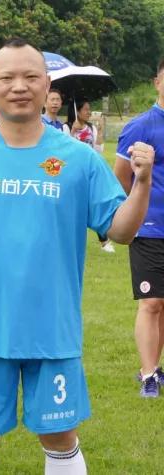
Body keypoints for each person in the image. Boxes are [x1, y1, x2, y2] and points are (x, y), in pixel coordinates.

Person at [0, 37, 153, 475]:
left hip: (51, 331)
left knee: (61, 438)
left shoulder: (78, 159)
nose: (20, 86)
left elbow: (121, 230)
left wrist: (143, 183)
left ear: (47, 84)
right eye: (8, 78)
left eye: (31, 77)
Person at [114, 58, 164, 398]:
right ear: (156, 82)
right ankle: (147, 375)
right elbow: (121, 175)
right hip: (149, 229)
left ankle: (156, 369)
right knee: (151, 302)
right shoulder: (140, 126)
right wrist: (136, 212)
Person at [64, 100, 114, 252]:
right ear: (77, 111)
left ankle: (104, 241)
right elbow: (64, 148)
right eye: (86, 109)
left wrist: (100, 131)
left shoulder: (91, 128)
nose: (89, 112)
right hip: (72, 171)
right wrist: (73, 131)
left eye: (89, 109)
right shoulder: (66, 127)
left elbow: (98, 151)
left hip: (88, 170)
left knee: (95, 204)